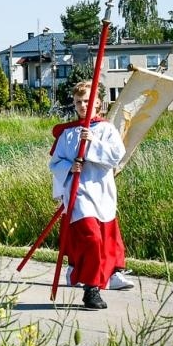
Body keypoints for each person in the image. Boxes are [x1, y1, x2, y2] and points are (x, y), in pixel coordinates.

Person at [50, 80, 131, 310]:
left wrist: (92, 142)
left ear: (97, 104)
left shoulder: (105, 129)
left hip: (101, 192)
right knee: (91, 238)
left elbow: (116, 156)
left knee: (101, 239)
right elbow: (55, 162)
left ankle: (86, 274)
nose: (83, 106)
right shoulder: (68, 134)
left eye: (87, 101)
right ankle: (91, 289)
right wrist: (69, 167)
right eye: (78, 102)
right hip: (78, 194)